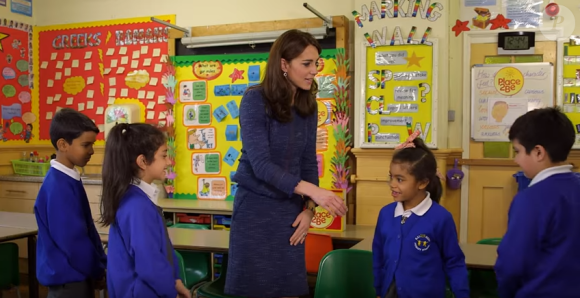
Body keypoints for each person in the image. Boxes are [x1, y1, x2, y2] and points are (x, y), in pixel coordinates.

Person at [224, 29, 348, 298]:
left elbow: (308, 163)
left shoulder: (308, 105)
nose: (313, 70)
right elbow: (261, 165)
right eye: (306, 63)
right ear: (283, 64)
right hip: (256, 212)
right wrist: (313, 192)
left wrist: (309, 210)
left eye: (316, 63)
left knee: (290, 290)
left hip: (291, 216)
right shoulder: (255, 99)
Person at [495, 107, 580, 298]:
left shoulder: (530, 199)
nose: (516, 159)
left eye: (517, 151)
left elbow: (512, 264)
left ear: (538, 152)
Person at [372, 131, 469, 298]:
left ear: (423, 182)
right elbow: (378, 256)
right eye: (391, 177)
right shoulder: (386, 214)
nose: (392, 184)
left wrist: (461, 294)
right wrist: (379, 288)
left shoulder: (440, 218)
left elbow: (454, 262)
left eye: (400, 179)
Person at [99, 123, 189, 298]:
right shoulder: (137, 206)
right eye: (164, 156)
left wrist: (174, 281)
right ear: (142, 162)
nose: (168, 161)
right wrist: (171, 292)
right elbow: (150, 264)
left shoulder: (136, 199)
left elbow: (160, 252)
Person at [34, 108, 106, 298]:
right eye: (86, 144)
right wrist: (97, 269)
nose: (91, 150)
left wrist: (100, 264)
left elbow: (86, 230)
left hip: (77, 276)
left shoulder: (68, 179)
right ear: (63, 145)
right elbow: (74, 243)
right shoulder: (59, 187)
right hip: (69, 281)